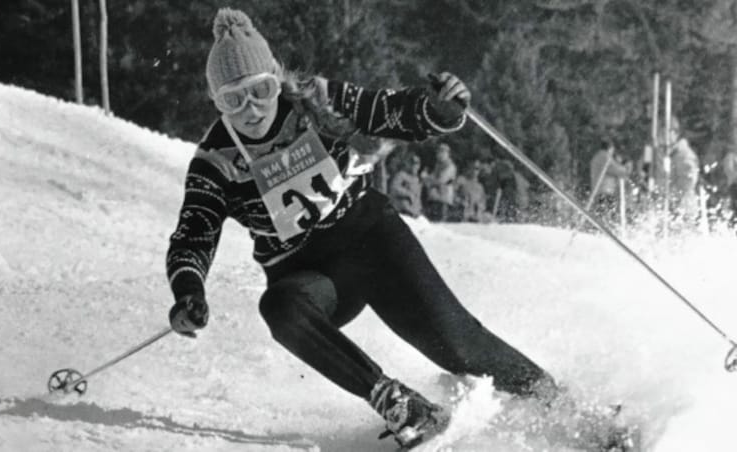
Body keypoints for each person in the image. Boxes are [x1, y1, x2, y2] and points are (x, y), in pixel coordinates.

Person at [166, 8, 631, 450]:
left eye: (261, 90)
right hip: (314, 279)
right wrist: (189, 291)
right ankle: (401, 405)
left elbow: (390, 112)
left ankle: (573, 412)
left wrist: (439, 108)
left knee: (459, 343)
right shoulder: (215, 161)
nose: (250, 109)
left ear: (276, 79)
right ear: (216, 102)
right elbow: (194, 232)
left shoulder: (313, 99)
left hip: (372, 241)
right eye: (233, 99)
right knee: (280, 309)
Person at [589, 140, 631, 226]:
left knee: (602, 212)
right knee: (607, 214)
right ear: (610, 148)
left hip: (598, 189)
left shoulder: (597, 157)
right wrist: (626, 167)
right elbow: (617, 170)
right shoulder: (606, 157)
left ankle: (600, 227)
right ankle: (603, 228)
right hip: (605, 190)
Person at [421, 143, 457, 221]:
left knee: (441, 223)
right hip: (434, 198)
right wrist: (427, 178)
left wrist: (426, 178)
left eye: (443, 152)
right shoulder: (438, 165)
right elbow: (432, 178)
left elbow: (441, 180)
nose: (439, 154)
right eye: (438, 152)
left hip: (444, 199)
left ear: (447, 153)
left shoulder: (450, 166)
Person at [387, 151, 424, 218]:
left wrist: (418, 209)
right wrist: (408, 194)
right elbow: (394, 188)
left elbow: (417, 197)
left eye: (417, 163)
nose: (415, 166)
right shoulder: (401, 175)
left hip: (414, 211)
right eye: (412, 163)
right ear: (408, 164)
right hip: (401, 209)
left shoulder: (417, 179)